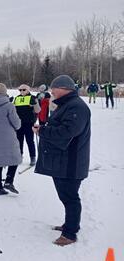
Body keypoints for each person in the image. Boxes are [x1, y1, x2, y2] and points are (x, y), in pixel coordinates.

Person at [33, 75, 91, 246]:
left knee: (70, 197)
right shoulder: (68, 105)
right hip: (64, 162)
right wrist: (44, 128)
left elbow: (67, 132)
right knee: (66, 196)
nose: (52, 91)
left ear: (65, 88)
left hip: (71, 163)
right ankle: (70, 224)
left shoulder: (76, 107)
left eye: (54, 88)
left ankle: (70, 234)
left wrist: (43, 131)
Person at [13, 84, 40, 166]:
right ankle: (19, 156)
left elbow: (38, 110)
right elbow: (13, 110)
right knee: (19, 141)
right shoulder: (17, 98)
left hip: (29, 123)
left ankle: (33, 157)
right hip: (19, 123)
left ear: (28, 90)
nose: (22, 91)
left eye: (24, 90)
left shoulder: (33, 98)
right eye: (20, 90)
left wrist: (35, 104)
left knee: (29, 141)